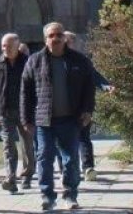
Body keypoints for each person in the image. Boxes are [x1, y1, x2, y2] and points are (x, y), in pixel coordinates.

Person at [21, 22, 96, 211]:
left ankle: (71, 195)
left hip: (70, 119)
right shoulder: (34, 61)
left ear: (64, 37)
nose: (55, 38)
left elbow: (89, 87)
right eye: (51, 35)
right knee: (44, 158)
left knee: (70, 159)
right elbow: (25, 92)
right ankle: (47, 196)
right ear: (45, 39)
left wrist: (87, 110)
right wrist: (26, 119)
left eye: (59, 35)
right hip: (43, 120)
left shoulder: (79, 60)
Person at [0, 33, 34, 193]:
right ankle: (11, 178)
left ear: (17, 46)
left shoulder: (28, 62)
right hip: (5, 111)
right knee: (8, 145)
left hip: (25, 111)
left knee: (27, 144)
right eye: (3, 46)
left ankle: (27, 176)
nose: (5, 49)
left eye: (9, 46)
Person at [64, 32, 112, 182]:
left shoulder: (82, 61)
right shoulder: (55, 61)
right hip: (62, 108)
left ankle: (88, 167)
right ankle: (70, 168)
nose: (72, 44)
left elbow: (94, 76)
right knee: (66, 140)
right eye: (70, 42)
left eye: (73, 41)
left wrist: (106, 86)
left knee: (84, 137)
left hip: (81, 106)